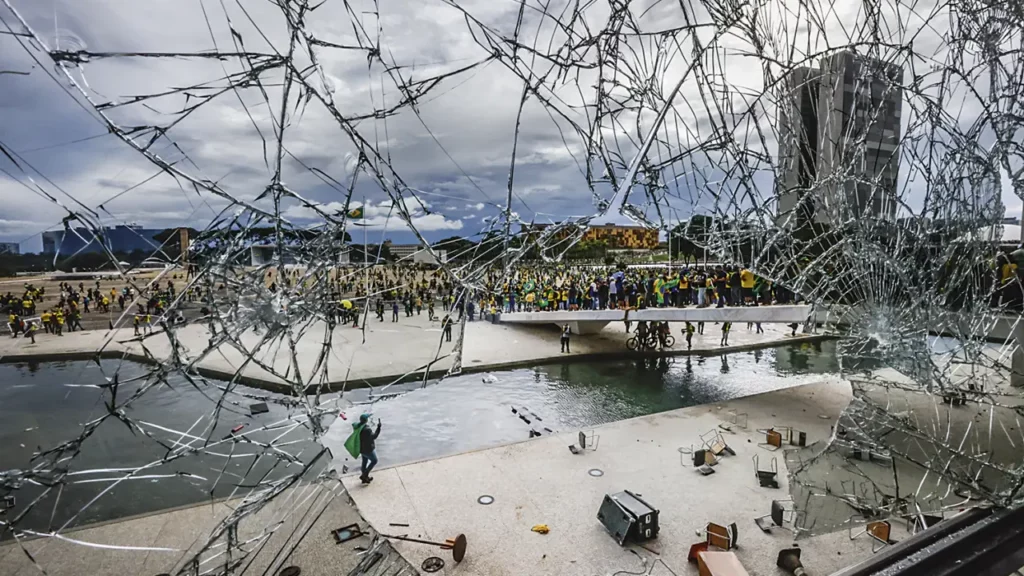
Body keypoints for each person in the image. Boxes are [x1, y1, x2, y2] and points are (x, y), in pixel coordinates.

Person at [358, 414, 382, 484]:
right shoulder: (367, 430)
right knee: (374, 460)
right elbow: (374, 436)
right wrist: (378, 427)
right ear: (366, 420)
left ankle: (365, 478)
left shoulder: (358, 427)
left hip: (361, 448)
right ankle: (364, 475)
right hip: (368, 449)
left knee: (364, 462)